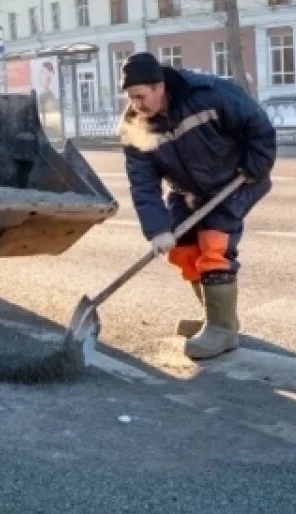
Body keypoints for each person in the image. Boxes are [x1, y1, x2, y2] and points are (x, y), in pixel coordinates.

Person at [118, 52, 277, 360]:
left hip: (236, 180)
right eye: (131, 98)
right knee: (183, 248)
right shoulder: (135, 126)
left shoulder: (206, 94)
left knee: (213, 244)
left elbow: (258, 126)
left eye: (141, 96)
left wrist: (255, 165)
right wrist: (158, 229)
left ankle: (223, 330)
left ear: (160, 86)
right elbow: (143, 184)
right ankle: (214, 318)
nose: (136, 105)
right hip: (188, 190)